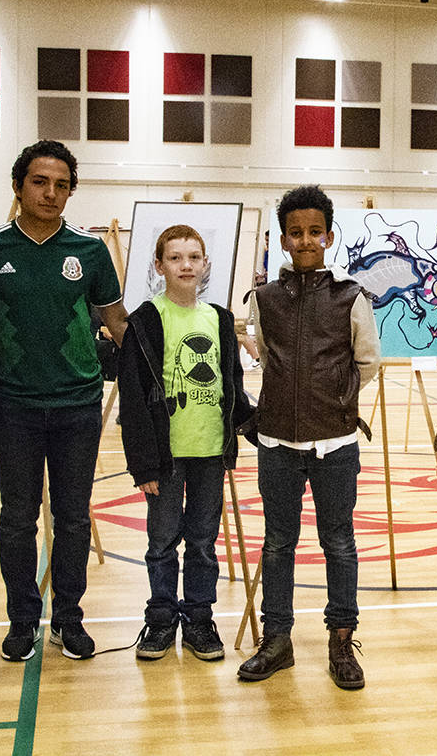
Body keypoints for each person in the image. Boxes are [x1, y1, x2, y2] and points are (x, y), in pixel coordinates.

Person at [0, 140, 128, 663]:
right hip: (12, 406)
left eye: (62, 185)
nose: (51, 193)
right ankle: (22, 621)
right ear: (18, 187)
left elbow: (119, 326)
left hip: (77, 406)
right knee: (19, 519)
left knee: (72, 519)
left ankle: (68, 619)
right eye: (40, 182)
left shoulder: (89, 252)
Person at [237, 184, 379, 690]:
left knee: (339, 543)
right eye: (295, 233)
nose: (305, 240)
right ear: (282, 239)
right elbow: (263, 359)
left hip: (335, 445)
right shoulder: (264, 298)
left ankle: (341, 641)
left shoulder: (350, 296)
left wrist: (337, 402)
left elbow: (367, 362)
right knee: (278, 544)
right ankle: (277, 640)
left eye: (314, 231)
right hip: (276, 445)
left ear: (329, 235)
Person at [118, 224, 254, 662]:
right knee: (161, 542)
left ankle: (198, 617)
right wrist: (143, 466)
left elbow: (232, 385)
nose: (186, 265)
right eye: (175, 258)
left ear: (205, 264)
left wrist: (256, 427)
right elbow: (135, 400)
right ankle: (160, 618)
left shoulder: (218, 318)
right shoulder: (145, 321)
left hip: (210, 453)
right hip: (166, 458)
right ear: (159, 266)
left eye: (194, 257)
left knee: (201, 542)